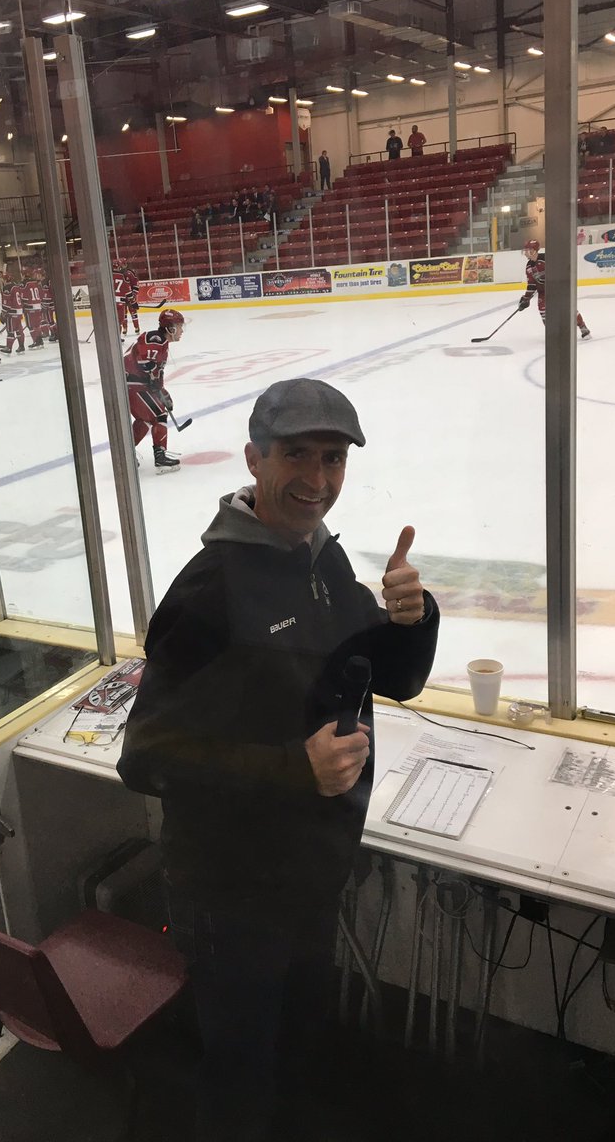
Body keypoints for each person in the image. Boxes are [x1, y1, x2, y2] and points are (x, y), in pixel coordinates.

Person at [118, 377, 439, 1142]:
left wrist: (412, 619)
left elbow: (393, 678)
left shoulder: (321, 561)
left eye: (333, 459)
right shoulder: (208, 590)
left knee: (294, 1056)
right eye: (297, 455)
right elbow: (146, 755)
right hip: (230, 897)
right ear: (255, 460)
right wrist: (293, 769)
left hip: (308, 874)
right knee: (238, 1077)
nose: (319, 480)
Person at [123, 308, 184, 472]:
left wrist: (162, 393)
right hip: (131, 384)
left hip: (132, 384)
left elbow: (154, 375)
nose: (181, 330)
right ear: (170, 328)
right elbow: (144, 361)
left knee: (145, 419)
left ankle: (125, 454)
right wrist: (153, 379)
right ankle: (160, 456)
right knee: (159, 415)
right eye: (179, 326)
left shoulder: (162, 344)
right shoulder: (155, 338)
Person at [518, 239, 591, 338]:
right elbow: (531, 284)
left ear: (534, 250)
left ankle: (583, 327)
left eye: (528, 250)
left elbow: (561, 269)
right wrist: (526, 298)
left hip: (558, 288)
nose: (526, 252)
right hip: (543, 291)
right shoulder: (529, 266)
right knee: (543, 310)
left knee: (568, 308)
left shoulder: (547, 259)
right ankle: (552, 333)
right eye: (525, 250)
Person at [0, 269, 26, 354]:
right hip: (18, 311)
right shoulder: (16, 286)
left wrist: (3, 314)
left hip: (11, 312)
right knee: (19, 330)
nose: (1, 280)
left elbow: (7, 303)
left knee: (10, 331)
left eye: (2, 279)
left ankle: (9, 348)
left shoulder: (7, 287)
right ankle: (21, 346)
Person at [113, 259, 141, 337]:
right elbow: (126, 288)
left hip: (123, 297)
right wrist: (133, 300)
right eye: (123, 264)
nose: (124, 266)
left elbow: (135, 285)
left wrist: (134, 294)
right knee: (123, 315)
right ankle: (124, 329)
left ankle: (136, 327)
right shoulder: (120, 275)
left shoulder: (129, 273)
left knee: (132, 312)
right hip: (124, 298)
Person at [21, 266, 46, 349]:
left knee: (31, 326)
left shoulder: (24, 283)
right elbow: (41, 294)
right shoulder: (35, 282)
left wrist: (22, 305)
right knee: (37, 325)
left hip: (29, 308)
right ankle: (40, 341)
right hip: (38, 307)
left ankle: (36, 341)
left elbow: (23, 297)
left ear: (23, 274)